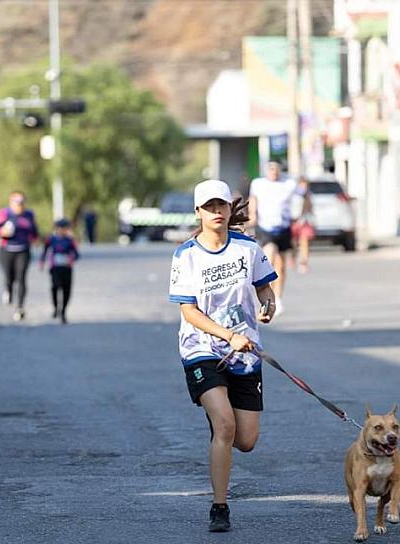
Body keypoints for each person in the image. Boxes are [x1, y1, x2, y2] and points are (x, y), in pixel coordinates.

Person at [168, 179, 277, 532]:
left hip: (245, 352)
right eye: (209, 207)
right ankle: (219, 507)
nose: (216, 212)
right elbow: (189, 312)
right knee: (225, 425)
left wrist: (268, 303)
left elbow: (264, 286)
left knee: (245, 441)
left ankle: (221, 430)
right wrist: (227, 334)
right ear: (198, 212)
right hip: (202, 349)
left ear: (230, 210)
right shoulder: (186, 255)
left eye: (222, 206)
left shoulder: (247, 248)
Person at [248, 160, 306, 314]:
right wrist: (252, 214)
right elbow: (253, 200)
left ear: (280, 170)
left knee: (280, 266)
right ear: (266, 171)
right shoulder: (258, 184)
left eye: (276, 169)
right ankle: (266, 295)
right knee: (269, 256)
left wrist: (300, 214)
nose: (273, 172)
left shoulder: (289, 184)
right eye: (270, 169)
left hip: (283, 227)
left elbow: (304, 194)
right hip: (265, 226)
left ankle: (278, 298)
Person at [0, 191, 39, 321]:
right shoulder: (4, 214)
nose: (19, 206)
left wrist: (35, 239)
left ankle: (20, 308)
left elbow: (34, 232)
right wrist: (1, 231)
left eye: (21, 203)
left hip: (23, 250)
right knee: (9, 276)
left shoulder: (29, 215)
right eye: (16, 203)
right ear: (11, 203)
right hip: (7, 250)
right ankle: (8, 290)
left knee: (21, 277)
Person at [40, 218, 80, 324]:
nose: (62, 230)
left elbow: (76, 254)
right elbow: (45, 251)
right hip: (55, 268)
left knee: (66, 291)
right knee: (55, 287)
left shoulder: (70, 240)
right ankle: (56, 307)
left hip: (67, 268)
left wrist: (71, 258)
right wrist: (42, 263)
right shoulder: (51, 239)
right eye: (60, 228)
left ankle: (63, 311)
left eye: (64, 228)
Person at [291, 176, 316, 273]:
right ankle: (293, 256)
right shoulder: (293, 195)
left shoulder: (308, 195)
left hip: (305, 221)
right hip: (294, 221)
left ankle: (303, 262)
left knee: (304, 240)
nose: (303, 187)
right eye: (302, 185)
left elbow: (311, 208)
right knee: (293, 242)